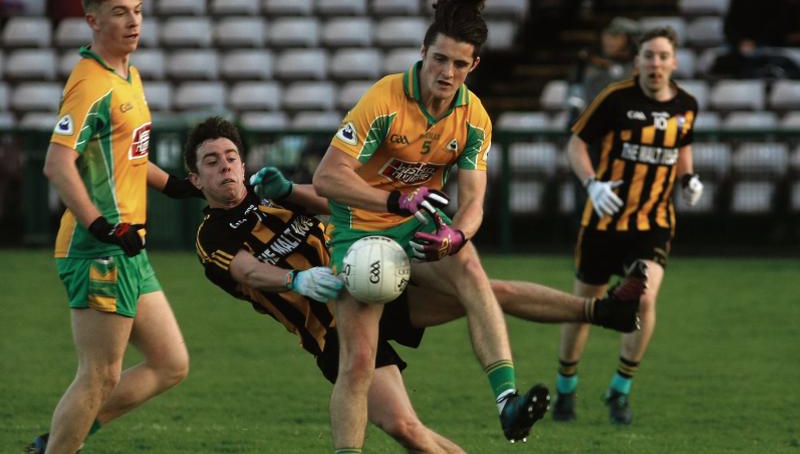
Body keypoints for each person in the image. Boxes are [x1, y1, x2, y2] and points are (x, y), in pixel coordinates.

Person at [185, 116, 647, 452]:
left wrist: (287, 190)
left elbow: (330, 201)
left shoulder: (271, 195)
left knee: (483, 289)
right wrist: (296, 278)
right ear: (195, 178)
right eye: (212, 162)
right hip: (331, 328)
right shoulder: (212, 235)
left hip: (378, 285)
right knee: (408, 429)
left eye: (231, 157)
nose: (225, 167)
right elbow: (246, 271)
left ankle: (604, 312)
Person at [312, 0, 553, 450]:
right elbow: (327, 177)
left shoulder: (474, 118)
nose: (446, 71)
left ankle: (507, 402)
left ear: (473, 65)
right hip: (358, 233)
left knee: (468, 263)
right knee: (358, 363)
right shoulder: (384, 98)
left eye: (459, 64)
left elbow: (474, 204)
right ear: (424, 50)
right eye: (439, 58)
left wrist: (455, 237)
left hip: (415, 231)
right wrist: (394, 200)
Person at [26, 0, 202, 452]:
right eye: (121, 12)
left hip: (129, 245)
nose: (133, 21)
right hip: (99, 247)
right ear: (93, 21)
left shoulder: (129, 74)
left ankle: (58, 442)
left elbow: (130, 155)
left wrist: (174, 184)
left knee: (170, 363)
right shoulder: (89, 84)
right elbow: (56, 163)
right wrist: (100, 225)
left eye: (138, 10)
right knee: (100, 374)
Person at [552, 26, 704, 426]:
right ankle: (565, 386)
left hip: (653, 222)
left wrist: (688, 179)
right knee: (585, 305)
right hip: (603, 220)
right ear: (636, 61)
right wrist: (592, 184)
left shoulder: (687, 105)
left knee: (646, 296)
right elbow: (575, 144)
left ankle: (619, 390)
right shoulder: (615, 98)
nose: (655, 63)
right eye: (648, 55)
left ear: (674, 61)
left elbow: (682, 147)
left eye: (662, 56)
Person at [566, 16, 639, 127]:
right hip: (591, 121)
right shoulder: (585, 62)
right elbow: (575, 91)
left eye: (616, 36)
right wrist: (576, 112)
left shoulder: (637, 64)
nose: (610, 41)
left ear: (626, 39)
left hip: (626, 122)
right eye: (607, 35)